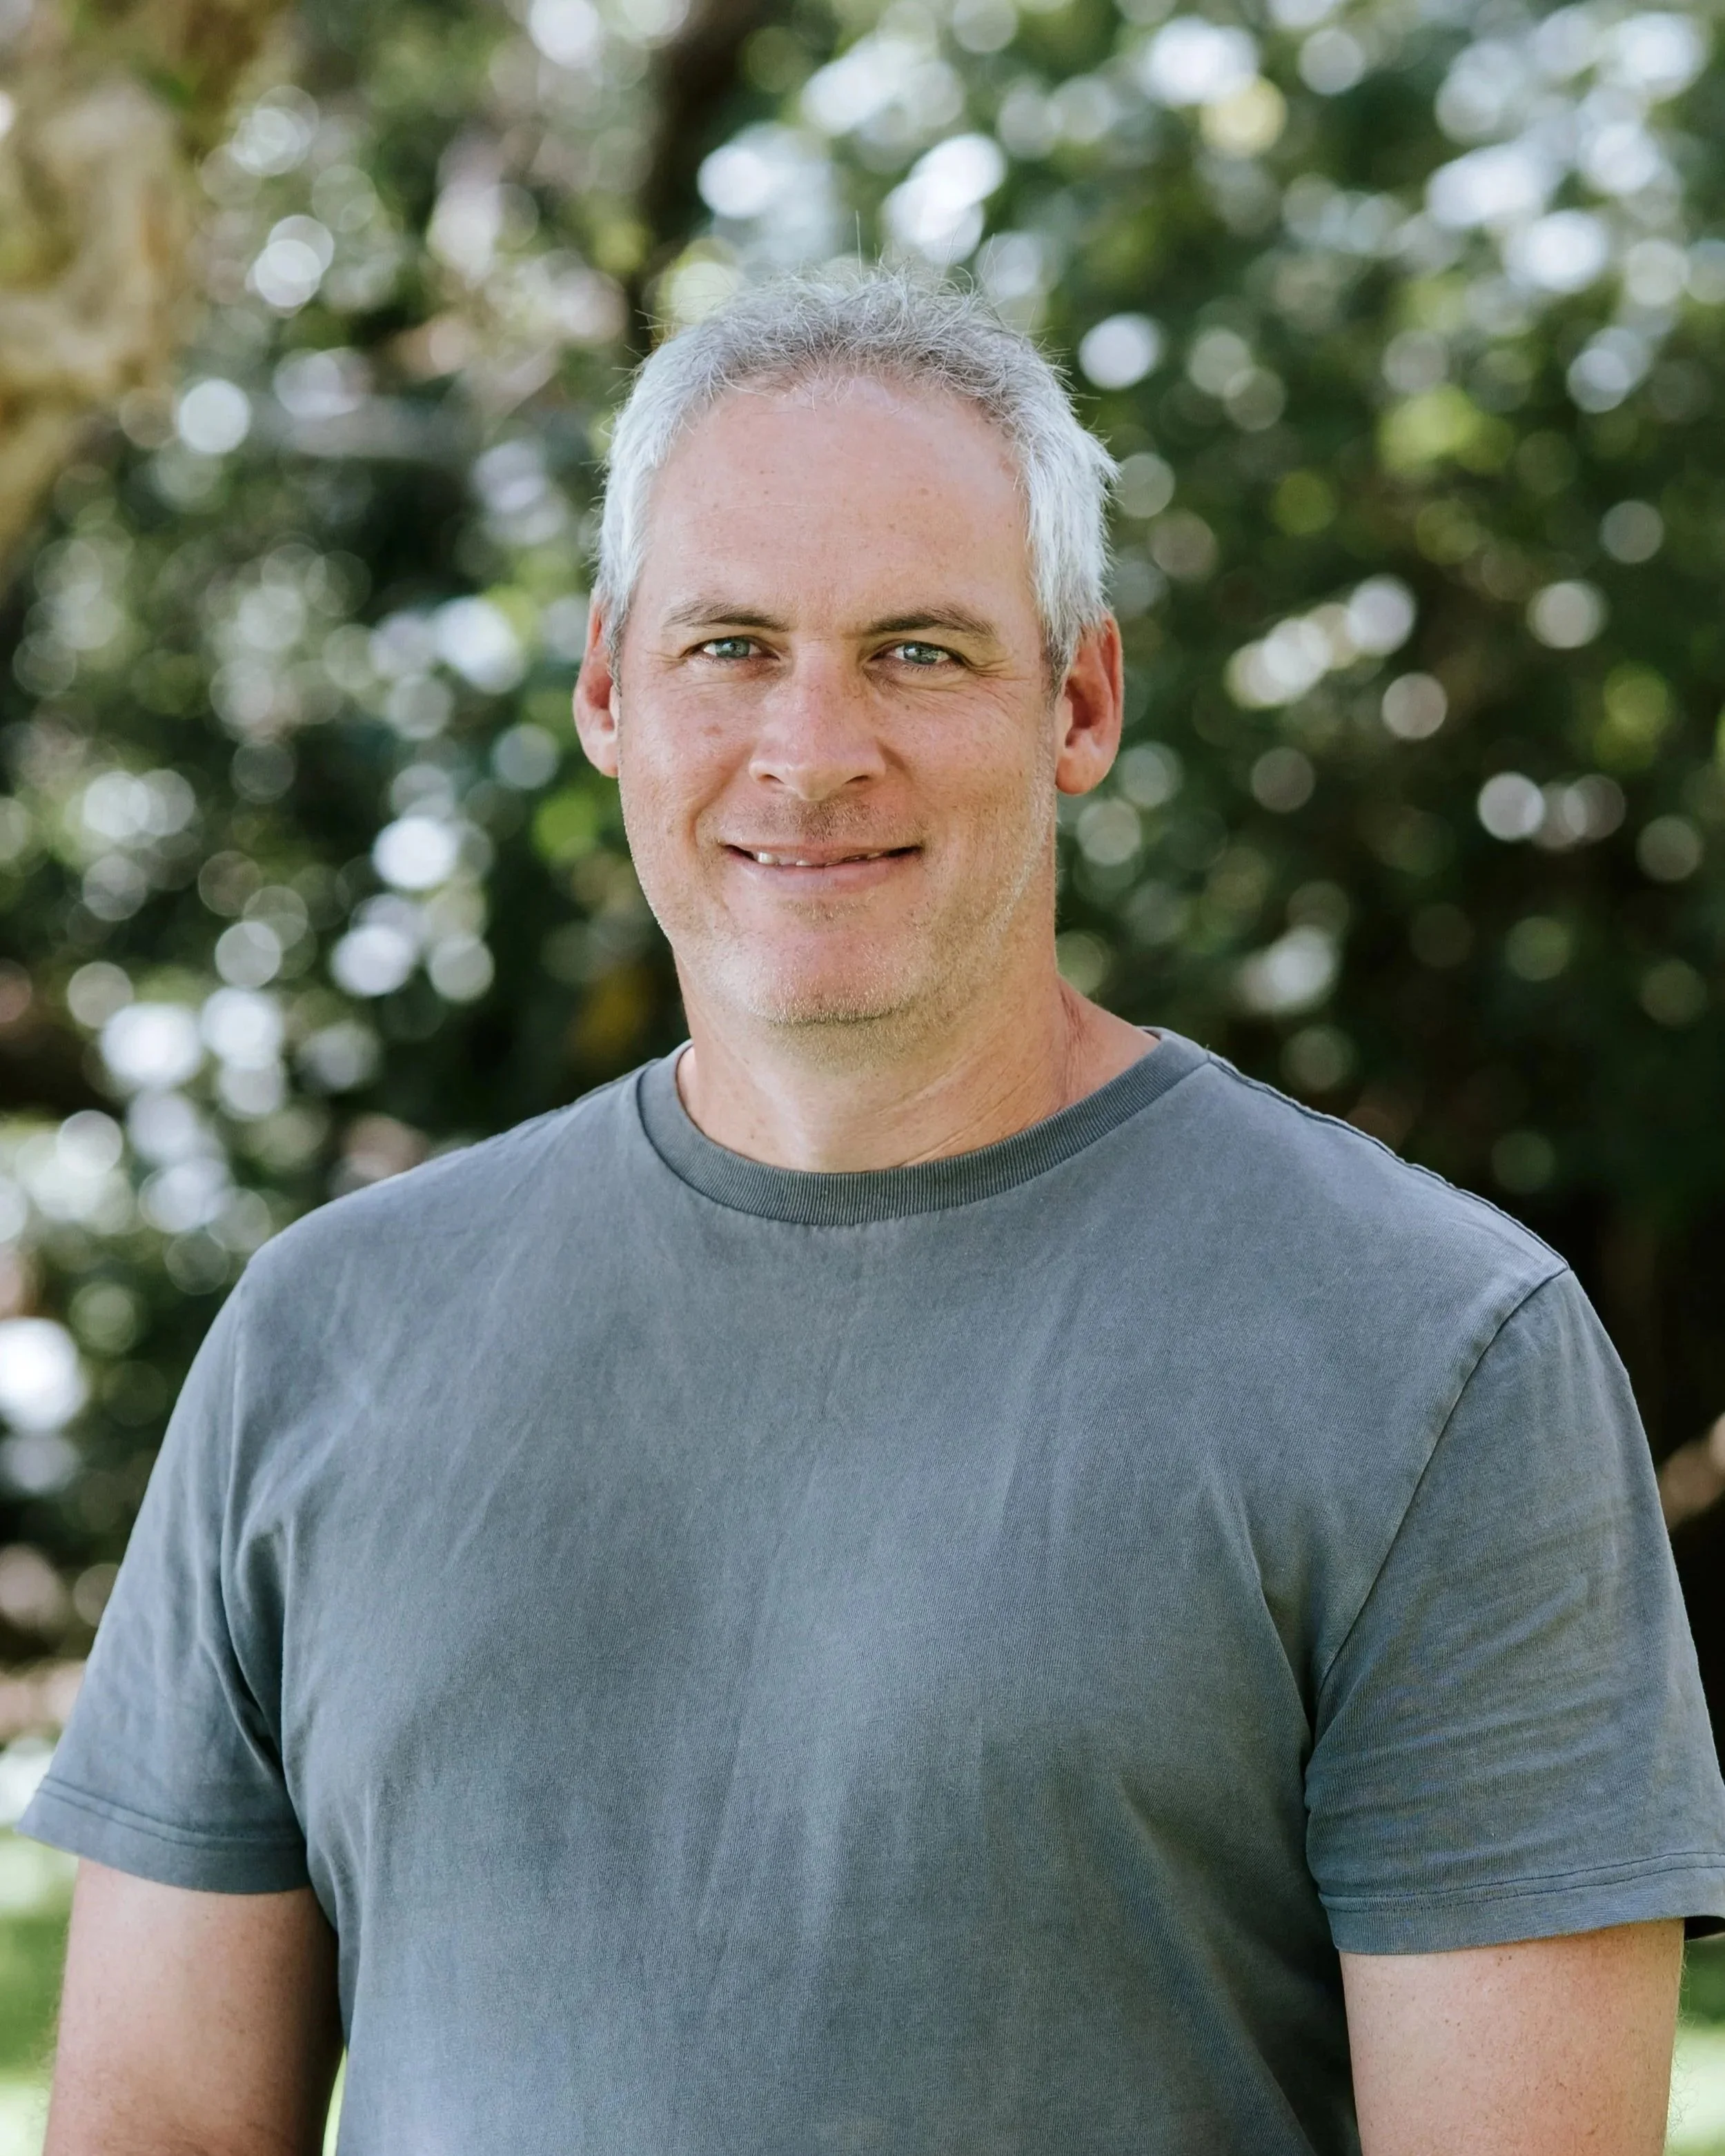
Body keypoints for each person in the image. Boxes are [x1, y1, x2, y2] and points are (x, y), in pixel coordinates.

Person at [26, 271, 1725, 2156]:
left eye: (918, 649)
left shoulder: (1427, 1355)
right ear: (606, 688)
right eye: (729, 645)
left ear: (1076, 699)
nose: (811, 748)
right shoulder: (322, 1337)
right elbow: (157, 2127)